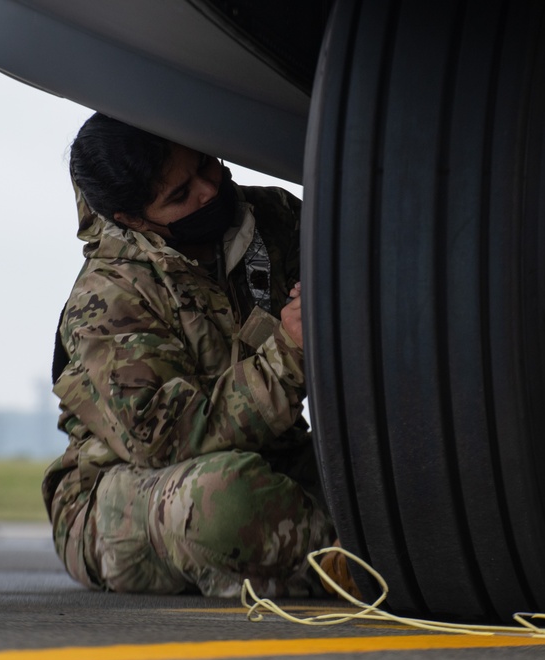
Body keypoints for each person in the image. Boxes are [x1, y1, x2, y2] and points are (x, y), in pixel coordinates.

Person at [42, 112, 346, 598]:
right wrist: (290, 352)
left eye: (206, 164)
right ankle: (348, 565)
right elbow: (167, 442)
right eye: (180, 195)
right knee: (219, 502)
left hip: (276, 463)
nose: (209, 190)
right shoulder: (108, 300)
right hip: (134, 495)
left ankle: (333, 552)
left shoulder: (274, 222)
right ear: (133, 219)